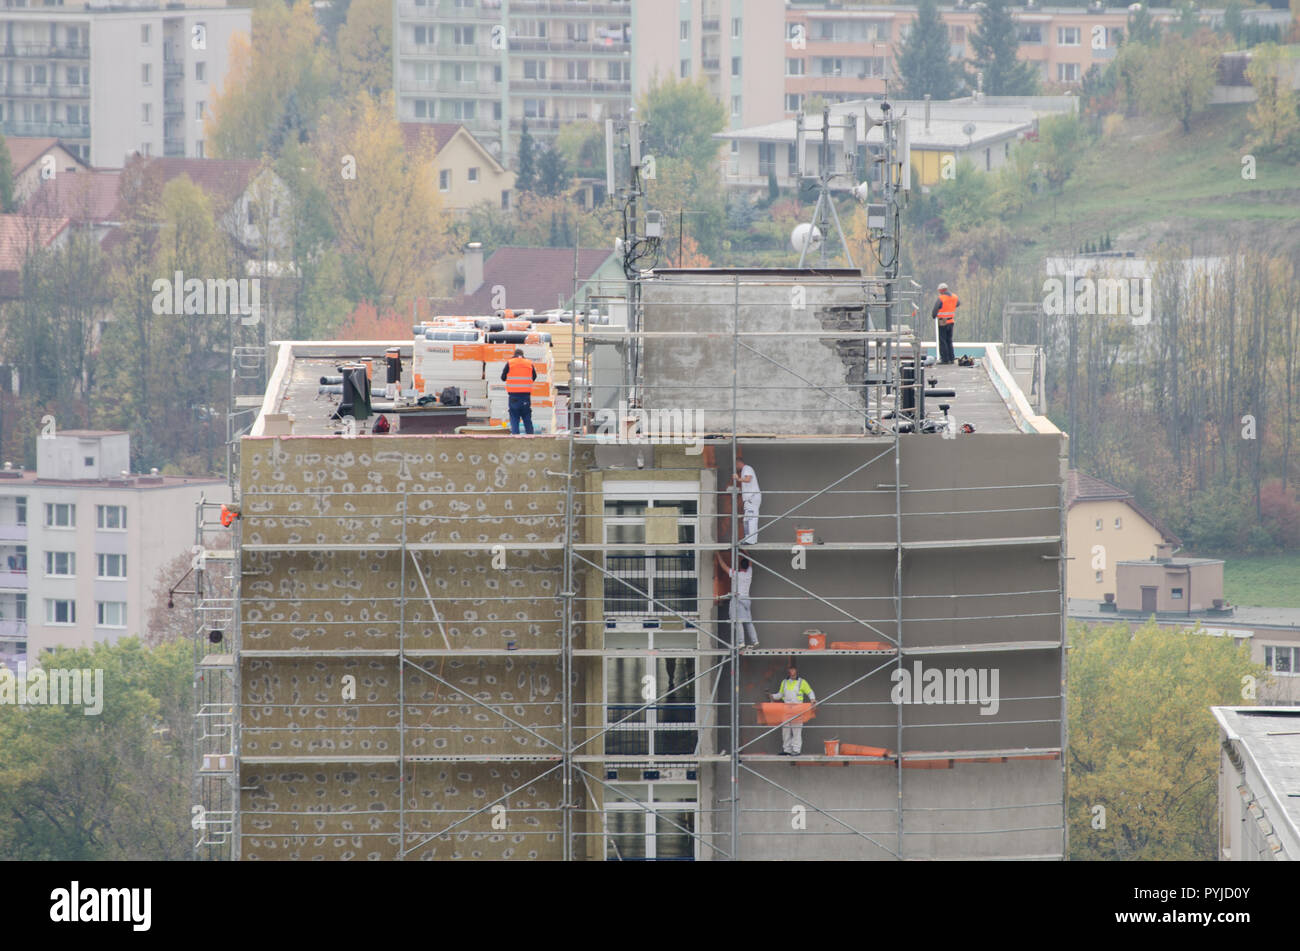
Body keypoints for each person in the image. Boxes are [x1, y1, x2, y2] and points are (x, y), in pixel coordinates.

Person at [715, 551, 758, 648]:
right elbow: (750, 562)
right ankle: (755, 641)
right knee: (748, 622)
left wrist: (718, 555)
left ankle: (741, 642)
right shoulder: (749, 573)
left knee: (738, 621)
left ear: (740, 566)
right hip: (747, 599)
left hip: (738, 599)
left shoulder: (735, 574)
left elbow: (723, 566)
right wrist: (745, 552)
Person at [772, 665, 816, 755]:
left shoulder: (802, 682)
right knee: (786, 730)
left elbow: (810, 691)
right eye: (790, 671)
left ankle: (796, 750)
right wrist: (772, 696)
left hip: (797, 709)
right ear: (788, 672)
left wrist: (812, 699)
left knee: (796, 730)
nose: (792, 673)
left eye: (793, 671)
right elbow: (780, 694)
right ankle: (787, 750)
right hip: (786, 709)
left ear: (796, 671)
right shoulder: (784, 682)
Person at [501, 348, 537, 435]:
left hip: (514, 396)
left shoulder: (510, 363)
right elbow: (534, 377)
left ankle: (515, 437)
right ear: (523, 355)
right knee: (527, 417)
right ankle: (530, 437)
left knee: (514, 417)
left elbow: (503, 378)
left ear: (514, 355)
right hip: (526, 396)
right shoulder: (529, 363)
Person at [730, 458, 761, 544]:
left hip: (752, 498)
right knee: (748, 519)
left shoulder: (747, 468)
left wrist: (738, 479)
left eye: (736, 465)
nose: (736, 467)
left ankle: (750, 540)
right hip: (750, 498)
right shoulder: (745, 470)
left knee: (750, 519)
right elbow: (747, 484)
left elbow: (748, 479)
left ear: (739, 463)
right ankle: (752, 539)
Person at [931, 282, 960, 364]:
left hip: (942, 321)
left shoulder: (941, 298)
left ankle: (945, 359)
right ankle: (951, 358)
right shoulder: (954, 297)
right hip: (951, 321)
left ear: (941, 290)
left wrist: (934, 316)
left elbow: (935, 310)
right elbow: (958, 304)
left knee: (942, 340)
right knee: (949, 340)